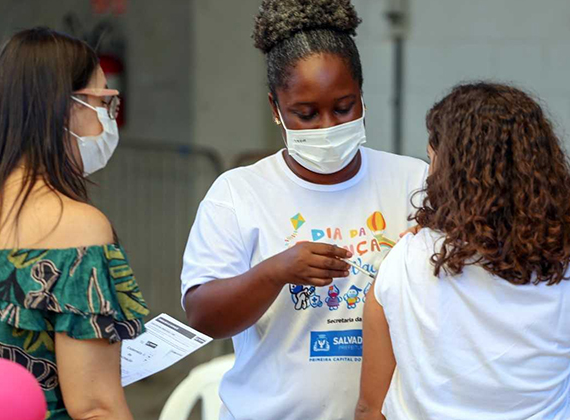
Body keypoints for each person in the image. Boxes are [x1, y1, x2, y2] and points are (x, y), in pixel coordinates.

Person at [181, 1, 428, 418]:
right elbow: (203, 315)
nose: (328, 127)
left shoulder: (412, 182)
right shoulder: (238, 193)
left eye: (344, 107)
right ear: (275, 109)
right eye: (306, 114)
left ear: (362, 96)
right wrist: (275, 272)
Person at [356, 83, 570, 420]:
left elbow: (370, 407)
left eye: (431, 159)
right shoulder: (563, 263)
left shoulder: (406, 260)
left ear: (447, 171)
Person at [0, 28, 149, 420]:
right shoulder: (78, 228)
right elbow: (95, 408)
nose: (108, 118)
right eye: (105, 102)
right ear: (65, 107)